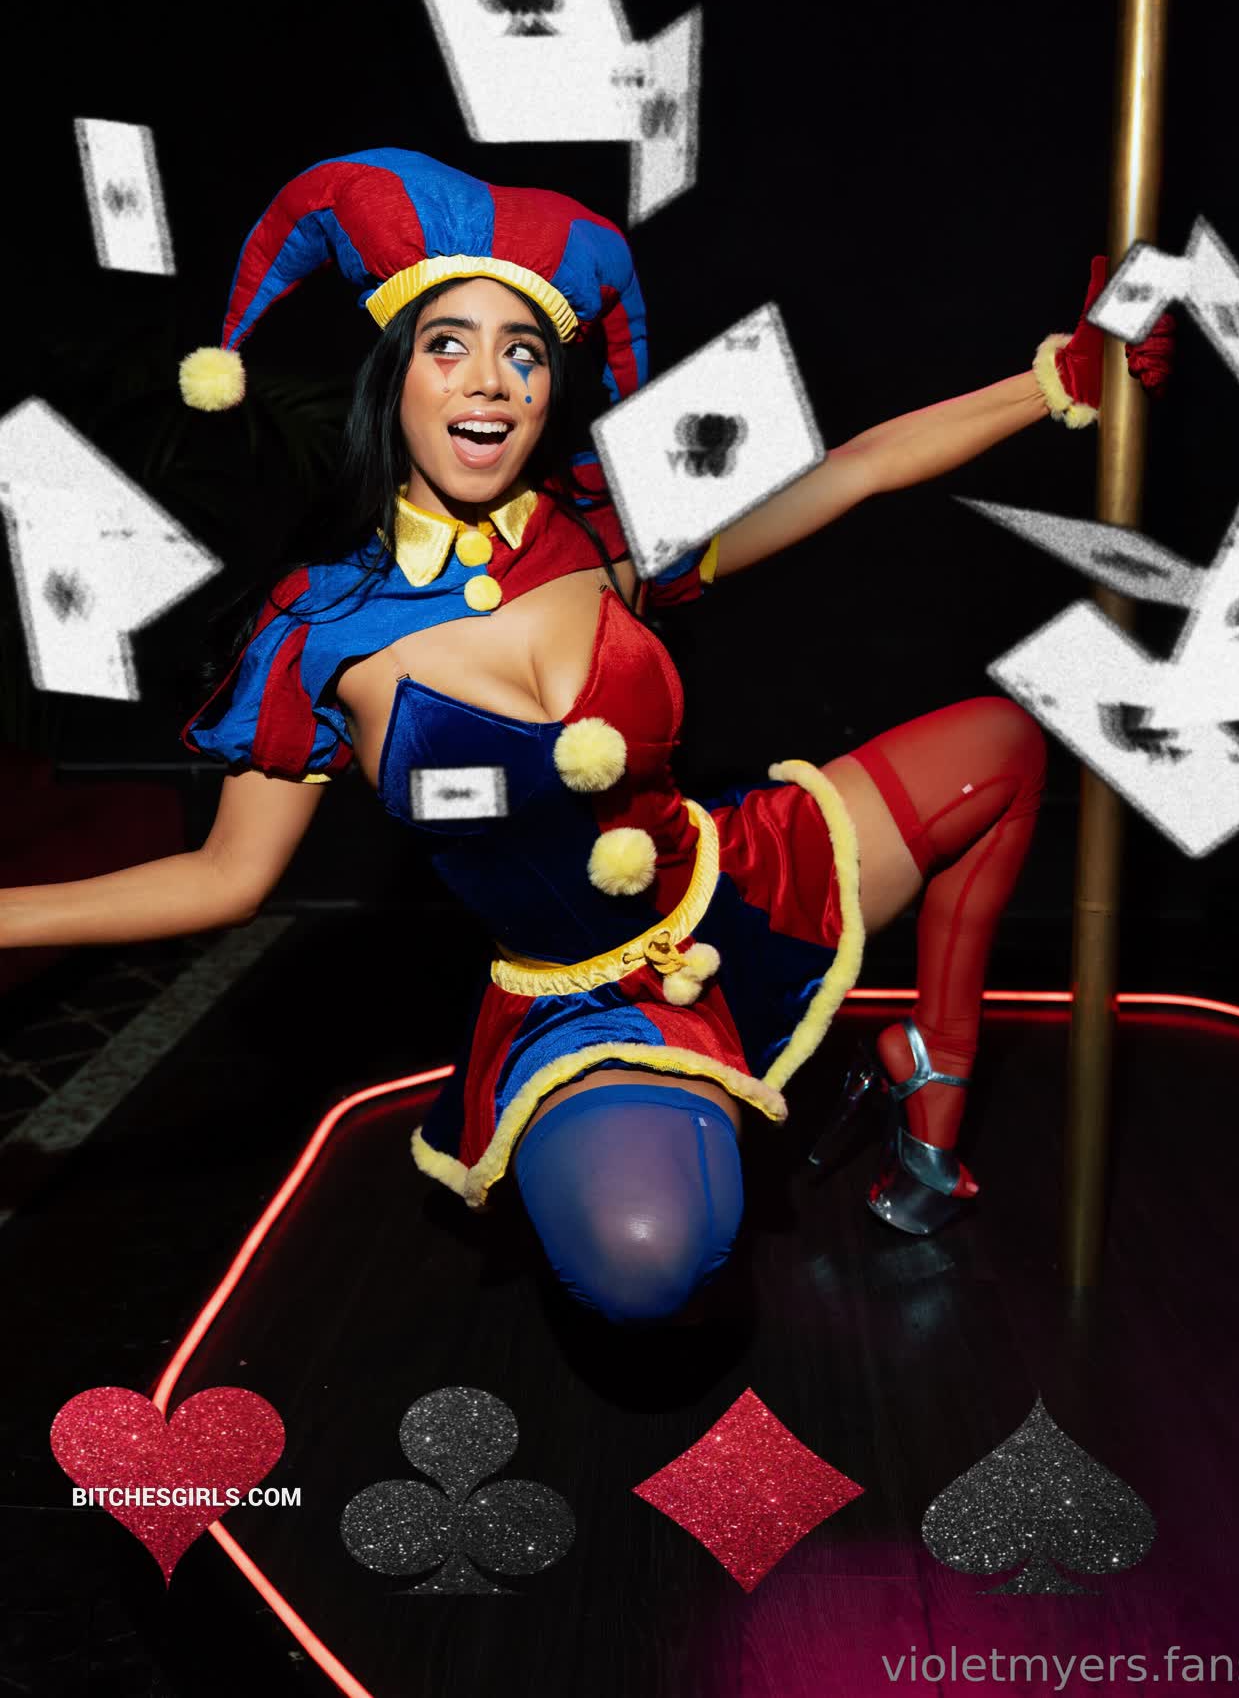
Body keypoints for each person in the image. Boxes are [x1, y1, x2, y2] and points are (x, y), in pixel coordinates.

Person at [0, 149, 1172, 1327]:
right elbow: (224, 877)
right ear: (394, 372)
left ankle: (934, 1068)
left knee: (1003, 747)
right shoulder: (320, 629)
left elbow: (853, 470)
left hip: (737, 878)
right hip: (588, 998)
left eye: (523, 352)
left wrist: (1059, 382)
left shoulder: (602, 536)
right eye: (449, 344)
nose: (492, 379)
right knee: (650, 1256)